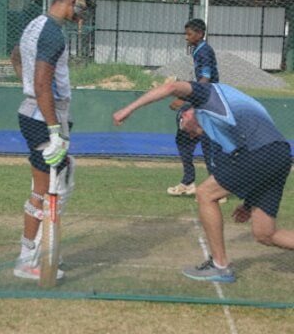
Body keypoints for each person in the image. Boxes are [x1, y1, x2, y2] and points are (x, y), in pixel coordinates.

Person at [113, 78, 294, 283]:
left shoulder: (206, 95)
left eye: (184, 128)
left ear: (187, 114)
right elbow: (252, 165)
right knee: (265, 234)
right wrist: (248, 204)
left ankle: (219, 265)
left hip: (262, 151)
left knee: (205, 193)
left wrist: (128, 109)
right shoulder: (224, 124)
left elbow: (171, 87)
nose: (190, 135)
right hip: (280, 154)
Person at [10, 0, 91, 280]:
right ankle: (31, 259)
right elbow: (43, 83)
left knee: (46, 186)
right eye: (83, 4)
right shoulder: (53, 33)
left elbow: (16, 55)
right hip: (44, 116)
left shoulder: (35, 25)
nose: (83, 11)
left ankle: (37, 252)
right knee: (53, 186)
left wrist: (27, 85)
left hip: (36, 112)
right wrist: (54, 130)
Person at [166, 18, 219, 197]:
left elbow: (205, 80)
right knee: (183, 136)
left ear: (200, 34)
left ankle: (216, 189)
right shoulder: (198, 50)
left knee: (208, 143)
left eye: (189, 34)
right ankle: (188, 182)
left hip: (209, 102)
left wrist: (184, 98)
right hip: (202, 100)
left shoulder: (204, 51)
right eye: (185, 34)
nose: (186, 37)